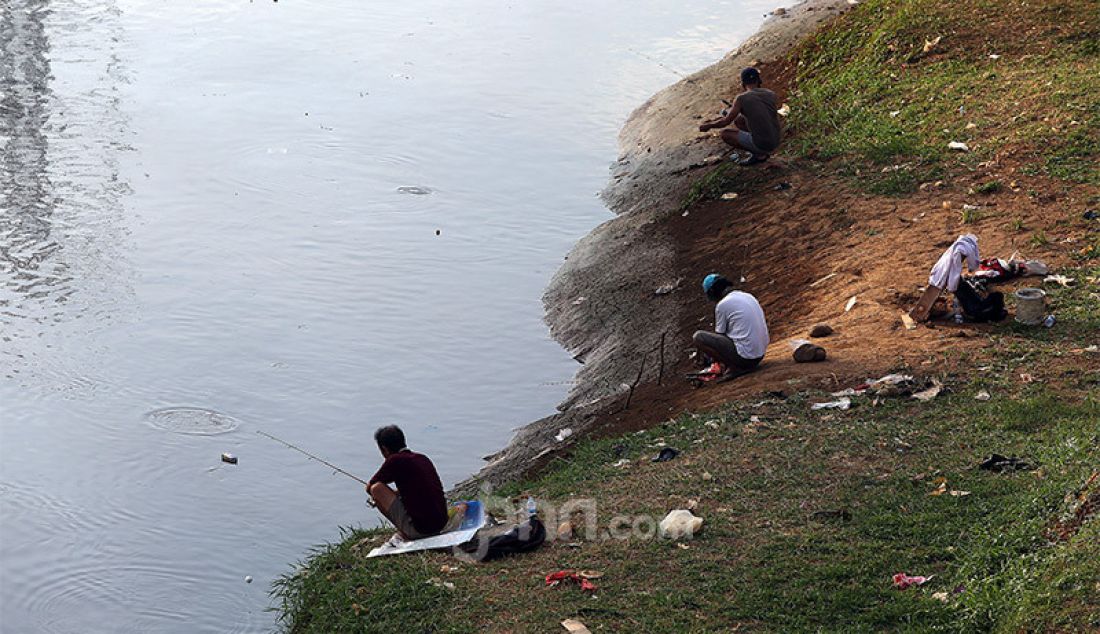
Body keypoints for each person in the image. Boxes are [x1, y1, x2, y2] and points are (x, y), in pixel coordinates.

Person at [366, 425, 448, 540]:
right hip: (442, 524)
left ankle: (406, 532)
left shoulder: (394, 461)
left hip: (422, 531)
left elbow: (369, 487)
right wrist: (397, 493)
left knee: (376, 489)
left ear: (384, 449)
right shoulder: (422, 458)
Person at [692, 274, 770, 381]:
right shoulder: (746, 295)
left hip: (746, 359)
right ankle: (736, 364)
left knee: (698, 337)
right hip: (759, 355)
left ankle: (735, 368)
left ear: (712, 292)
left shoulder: (723, 305)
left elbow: (720, 335)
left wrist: (711, 357)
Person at [698, 67, 782, 166]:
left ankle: (759, 155)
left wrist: (708, 126)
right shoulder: (770, 93)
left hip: (764, 144)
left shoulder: (741, 98)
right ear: (759, 80)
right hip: (776, 139)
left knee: (725, 134)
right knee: (739, 120)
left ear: (743, 84)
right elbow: (759, 112)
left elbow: (725, 122)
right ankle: (758, 148)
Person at [928, 234, 1006, 322]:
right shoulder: (957, 283)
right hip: (976, 311)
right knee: (997, 296)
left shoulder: (957, 282)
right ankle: (995, 314)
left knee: (995, 296)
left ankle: (995, 313)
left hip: (974, 309)